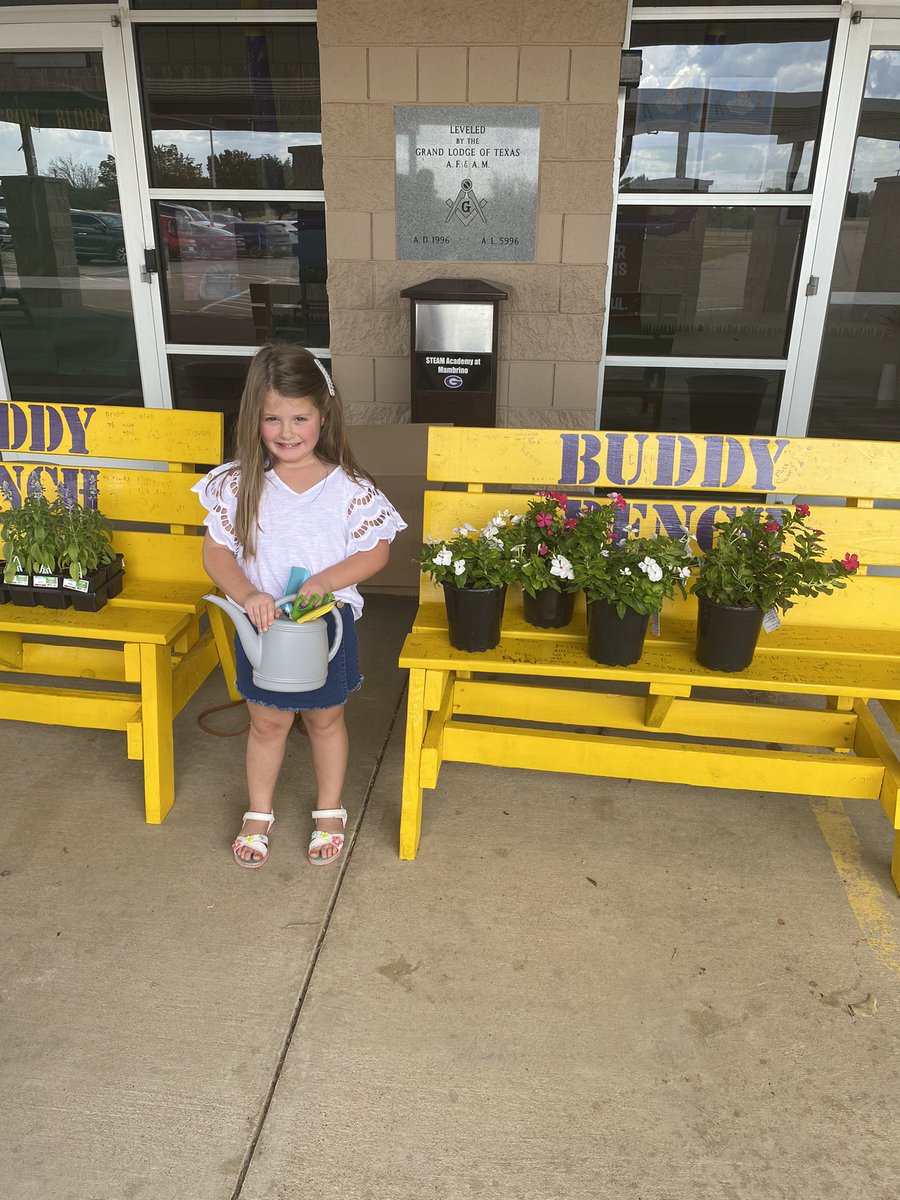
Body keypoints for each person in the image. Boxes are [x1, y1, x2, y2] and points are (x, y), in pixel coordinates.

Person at [194, 344, 406, 869]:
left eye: (299, 417)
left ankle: (329, 808)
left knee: (324, 719)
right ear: (254, 418)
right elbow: (216, 550)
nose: (287, 432)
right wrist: (247, 594)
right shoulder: (238, 483)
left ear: (323, 415)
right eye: (272, 419)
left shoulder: (348, 489)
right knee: (267, 723)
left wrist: (327, 582)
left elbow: (376, 549)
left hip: (325, 626)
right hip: (263, 624)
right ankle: (259, 811)